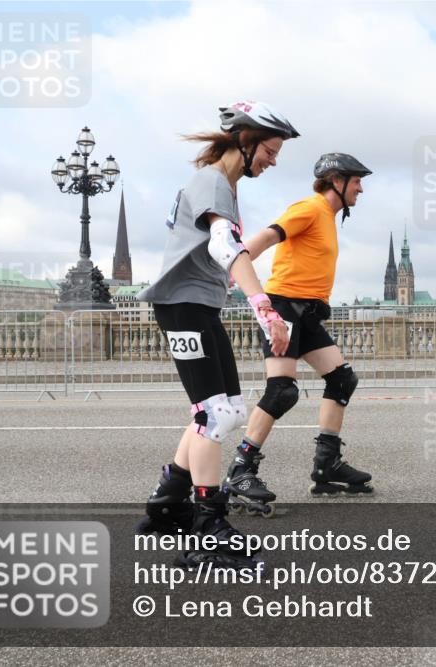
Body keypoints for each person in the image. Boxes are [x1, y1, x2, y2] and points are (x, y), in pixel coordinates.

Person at [135, 101, 296, 568]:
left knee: (229, 410)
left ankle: (168, 505)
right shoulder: (212, 181)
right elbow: (226, 244)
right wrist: (266, 310)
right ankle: (208, 526)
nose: (272, 160)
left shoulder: (220, 184)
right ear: (245, 142)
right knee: (214, 412)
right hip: (182, 305)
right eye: (269, 150)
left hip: (198, 305)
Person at [229, 152, 373, 502]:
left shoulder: (327, 217)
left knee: (342, 379)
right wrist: (233, 275)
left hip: (306, 313)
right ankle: (241, 471)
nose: (360, 190)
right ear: (336, 181)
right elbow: (259, 241)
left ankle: (327, 466)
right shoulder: (309, 209)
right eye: (356, 182)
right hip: (282, 309)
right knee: (282, 391)